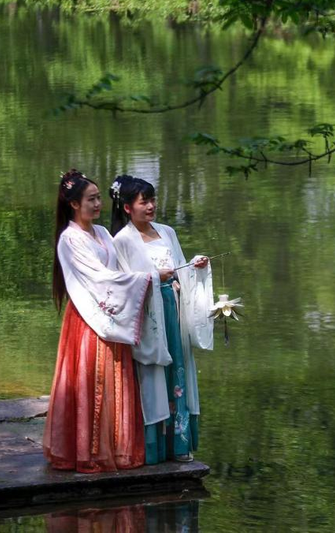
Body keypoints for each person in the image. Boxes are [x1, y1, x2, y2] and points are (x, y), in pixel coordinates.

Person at [43, 169, 173, 473]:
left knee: (116, 379)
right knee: (93, 382)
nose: (98, 203)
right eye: (91, 199)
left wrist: (153, 273)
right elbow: (101, 279)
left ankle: (115, 448)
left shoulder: (102, 233)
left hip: (111, 314)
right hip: (88, 318)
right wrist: (151, 277)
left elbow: (121, 272)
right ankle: (89, 451)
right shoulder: (70, 239)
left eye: (99, 197)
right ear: (74, 204)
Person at [110, 175, 213, 464]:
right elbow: (121, 283)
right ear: (128, 207)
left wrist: (194, 266)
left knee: (178, 370)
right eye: (145, 202)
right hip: (148, 315)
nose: (152, 206)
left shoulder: (167, 232)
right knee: (152, 375)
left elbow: (180, 268)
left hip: (173, 308)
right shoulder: (122, 241)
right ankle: (152, 448)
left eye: (153, 200)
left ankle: (179, 446)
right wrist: (156, 278)